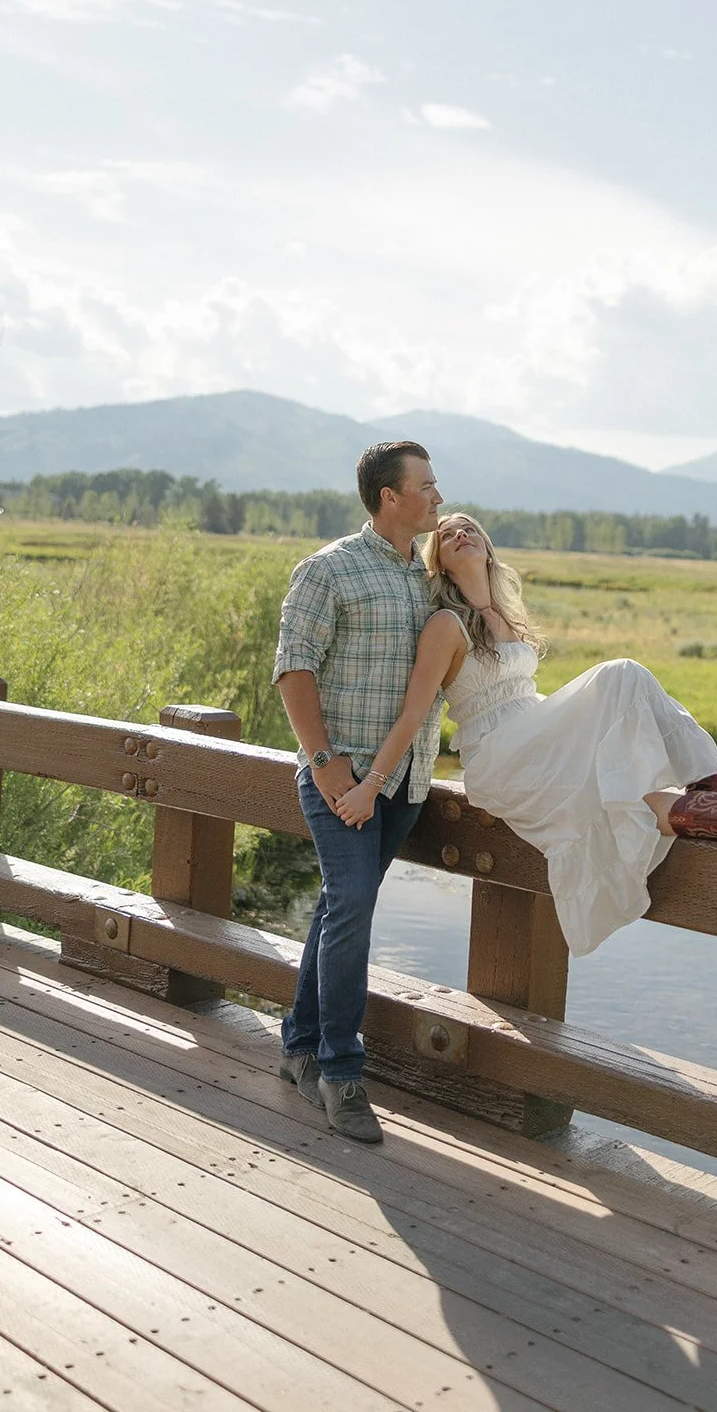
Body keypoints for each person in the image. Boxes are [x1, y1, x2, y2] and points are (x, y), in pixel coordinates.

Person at [337, 513, 717, 958]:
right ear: (438, 562)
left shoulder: (506, 615)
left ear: (488, 550)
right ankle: (712, 784)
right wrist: (371, 786)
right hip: (499, 751)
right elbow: (413, 714)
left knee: (632, 801)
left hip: (536, 734)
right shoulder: (445, 625)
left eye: (470, 530)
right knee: (622, 675)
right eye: (447, 535)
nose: (460, 534)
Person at [272, 441, 444, 1143]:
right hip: (340, 778)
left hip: (403, 784)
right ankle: (341, 1072)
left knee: (339, 907)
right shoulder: (328, 570)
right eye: (425, 486)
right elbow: (293, 670)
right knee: (352, 904)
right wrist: (322, 762)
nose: (437, 496)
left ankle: (298, 1045)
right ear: (388, 497)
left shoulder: (429, 581)